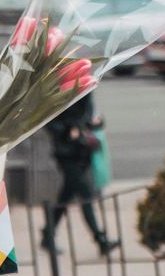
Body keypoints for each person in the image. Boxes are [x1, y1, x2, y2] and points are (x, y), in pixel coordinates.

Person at [41, 91, 119, 257]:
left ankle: (48, 234)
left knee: (66, 195)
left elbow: (90, 114)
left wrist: (94, 123)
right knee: (86, 194)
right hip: (66, 152)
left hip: (82, 150)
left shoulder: (84, 87)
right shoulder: (57, 89)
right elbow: (49, 120)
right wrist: (68, 131)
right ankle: (101, 240)